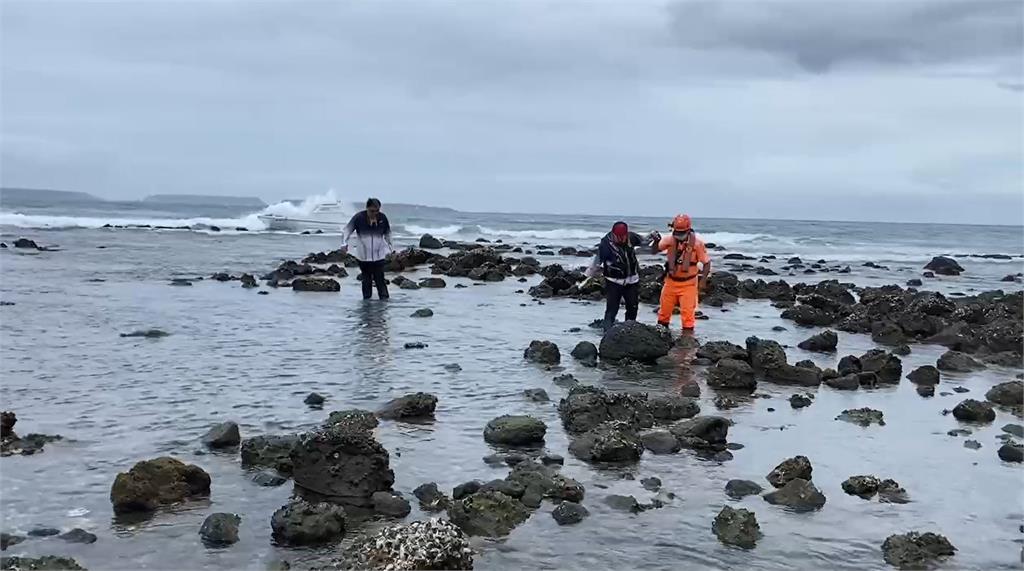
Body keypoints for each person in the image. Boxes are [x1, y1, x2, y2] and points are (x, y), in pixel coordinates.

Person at [649, 214, 711, 331]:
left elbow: (707, 263)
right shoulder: (669, 240)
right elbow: (654, 251)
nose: (679, 236)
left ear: (688, 230)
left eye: (682, 234)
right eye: (677, 233)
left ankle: (687, 343)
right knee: (663, 314)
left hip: (689, 284)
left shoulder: (697, 244)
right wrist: (656, 241)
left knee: (688, 317)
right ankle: (662, 336)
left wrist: (703, 281)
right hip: (670, 282)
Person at [587, 221, 643, 330]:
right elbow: (597, 261)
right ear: (613, 234)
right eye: (618, 237)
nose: (621, 239)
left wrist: (654, 238)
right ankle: (606, 333)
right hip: (613, 281)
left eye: (623, 236)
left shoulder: (631, 237)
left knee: (633, 307)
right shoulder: (605, 244)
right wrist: (591, 272)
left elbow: (645, 241)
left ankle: (629, 330)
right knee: (612, 309)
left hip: (632, 280)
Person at [340, 198, 393, 300]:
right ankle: (366, 307)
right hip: (363, 257)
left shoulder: (382, 218)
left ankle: (384, 307)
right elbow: (347, 230)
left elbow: (388, 234)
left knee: (380, 280)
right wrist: (343, 244)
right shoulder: (359, 218)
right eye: (372, 211)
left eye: (377, 211)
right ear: (367, 208)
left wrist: (391, 249)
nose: (375, 213)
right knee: (366, 280)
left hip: (379, 256)